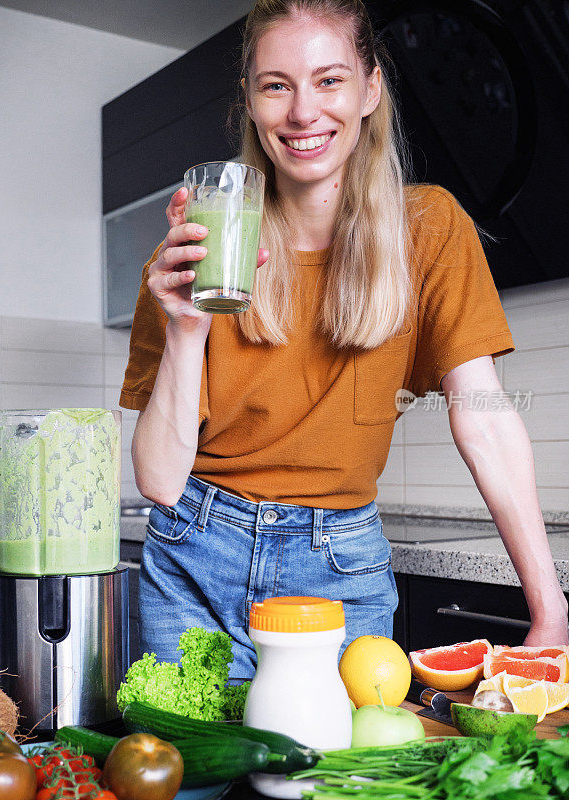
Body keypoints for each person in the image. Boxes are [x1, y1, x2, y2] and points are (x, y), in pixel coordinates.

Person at [120, 0, 568, 678]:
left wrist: (550, 605)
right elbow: (157, 480)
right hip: (191, 560)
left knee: (337, 781)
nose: (303, 113)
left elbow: (483, 415)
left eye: (329, 80)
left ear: (370, 88)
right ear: (249, 101)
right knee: (191, 781)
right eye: (277, 85)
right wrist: (186, 332)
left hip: (339, 568)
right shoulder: (197, 254)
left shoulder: (430, 228)